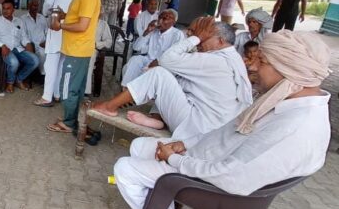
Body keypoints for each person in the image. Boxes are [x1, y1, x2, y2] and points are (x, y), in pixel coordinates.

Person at [113, 30, 331, 209]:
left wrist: (174, 160)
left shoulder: (297, 125)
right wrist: (185, 144)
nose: (253, 67)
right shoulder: (286, 102)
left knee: (125, 169)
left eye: (262, 61)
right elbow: (226, 134)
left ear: (289, 69)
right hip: (209, 161)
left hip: (215, 185)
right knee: (140, 146)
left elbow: (231, 176)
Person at [93, 17, 253, 139]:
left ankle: (109, 106)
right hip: (205, 125)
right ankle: (156, 118)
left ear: (220, 41)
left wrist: (196, 38)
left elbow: (166, 59)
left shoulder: (217, 60)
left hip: (197, 128)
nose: (200, 41)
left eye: (205, 37)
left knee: (159, 74)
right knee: (171, 77)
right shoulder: (231, 58)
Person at [46, 0, 101, 134]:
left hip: (77, 50)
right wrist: (65, 15)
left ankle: (69, 123)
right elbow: (79, 16)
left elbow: (82, 25)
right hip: (79, 50)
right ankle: (75, 119)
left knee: (67, 87)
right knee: (76, 88)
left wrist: (60, 25)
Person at [34, 0, 76, 107]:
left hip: (56, 27)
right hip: (68, 30)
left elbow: (47, 4)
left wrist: (46, 14)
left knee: (51, 64)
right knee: (61, 65)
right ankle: (57, 94)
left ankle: (47, 97)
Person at [121, 9, 185, 87]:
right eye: (160, 18)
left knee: (147, 72)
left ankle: (135, 94)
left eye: (165, 19)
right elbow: (136, 47)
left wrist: (158, 62)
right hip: (148, 59)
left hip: (163, 65)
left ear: (173, 22)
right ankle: (126, 88)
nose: (160, 21)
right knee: (134, 60)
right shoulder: (154, 31)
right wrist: (147, 31)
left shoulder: (177, 34)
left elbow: (175, 57)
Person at [0, 0, 39, 93]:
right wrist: (2, 45)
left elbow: (23, 37)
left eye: (8, 8)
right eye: (3, 8)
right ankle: (10, 82)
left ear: (13, 10)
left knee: (35, 60)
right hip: (3, 49)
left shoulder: (19, 21)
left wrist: (27, 44)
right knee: (14, 62)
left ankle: (19, 79)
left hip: (18, 48)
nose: (5, 11)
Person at [85, 14, 112, 95]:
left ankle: (86, 91)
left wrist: (96, 44)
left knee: (89, 58)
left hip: (93, 48)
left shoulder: (103, 24)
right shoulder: (83, 21)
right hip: (79, 46)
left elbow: (109, 42)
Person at [21, 0, 47, 74]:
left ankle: (50, 74)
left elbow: (47, 32)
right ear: (29, 6)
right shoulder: (23, 19)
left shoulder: (42, 18)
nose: (36, 8)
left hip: (44, 44)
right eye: (34, 5)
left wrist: (47, 42)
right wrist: (28, 44)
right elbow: (23, 35)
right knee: (42, 53)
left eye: (37, 6)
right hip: (32, 45)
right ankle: (43, 74)